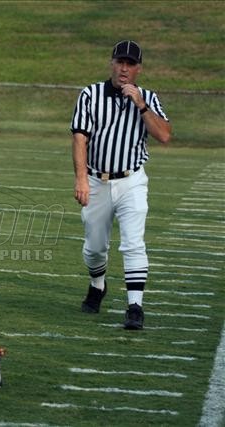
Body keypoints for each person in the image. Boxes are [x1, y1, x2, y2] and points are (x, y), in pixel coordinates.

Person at [71, 40, 171, 330]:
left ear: (139, 69)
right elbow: (79, 138)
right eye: (120, 62)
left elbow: (164, 135)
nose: (124, 68)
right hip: (96, 180)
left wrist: (141, 105)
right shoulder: (90, 94)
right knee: (94, 248)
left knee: (133, 243)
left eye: (130, 64)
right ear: (112, 63)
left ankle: (135, 306)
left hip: (132, 180)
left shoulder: (148, 97)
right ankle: (98, 285)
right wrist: (81, 178)